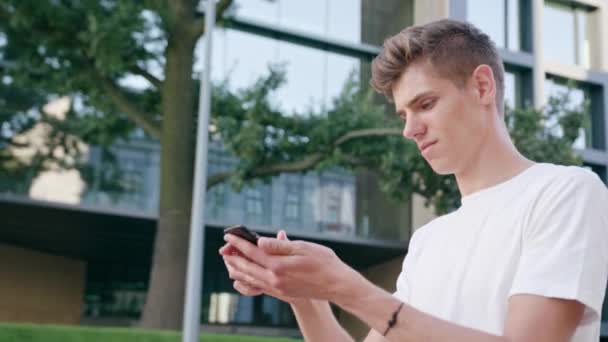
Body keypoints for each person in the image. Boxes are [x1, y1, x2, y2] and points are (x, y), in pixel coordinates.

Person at [219, 19, 608, 341]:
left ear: (482, 87)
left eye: (425, 104)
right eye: (403, 114)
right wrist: (308, 296)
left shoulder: (566, 192)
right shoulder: (429, 241)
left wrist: (347, 287)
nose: (410, 130)